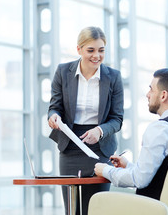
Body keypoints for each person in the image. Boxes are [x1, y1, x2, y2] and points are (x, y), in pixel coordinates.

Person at [94, 68, 168, 200]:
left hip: (155, 208)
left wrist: (105, 170)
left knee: (99, 199)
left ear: (163, 95)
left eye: (151, 89)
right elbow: (165, 174)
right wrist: (128, 166)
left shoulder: (160, 129)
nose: (148, 94)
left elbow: (139, 180)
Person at [48, 26, 124, 215]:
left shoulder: (113, 77)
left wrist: (99, 131)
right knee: (72, 209)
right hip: (70, 146)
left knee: (96, 208)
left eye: (101, 50)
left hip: (100, 148)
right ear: (79, 49)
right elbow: (55, 106)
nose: (96, 56)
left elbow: (117, 119)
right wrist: (53, 116)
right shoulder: (63, 72)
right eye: (91, 50)